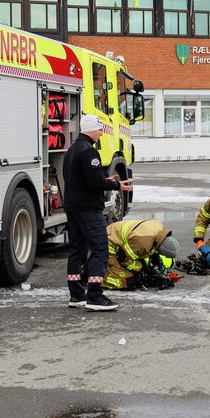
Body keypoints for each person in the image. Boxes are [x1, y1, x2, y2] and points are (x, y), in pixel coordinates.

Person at [63, 114, 133, 312]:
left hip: (73, 208)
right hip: (88, 209)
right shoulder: (89, 152)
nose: (101, 133)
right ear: (92, 130)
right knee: (99, 249)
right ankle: (95, 295)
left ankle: (77, 294)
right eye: (100, 130)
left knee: (76, 250)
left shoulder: (71, 151)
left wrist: (103, 179)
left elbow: (82, 178)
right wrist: (116, 184)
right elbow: (94, 182)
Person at [102, 219, 180, 290]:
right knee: (128, 281)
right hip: (108, 243)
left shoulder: (161, 230)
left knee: (133, 273)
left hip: (116, 235)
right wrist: (141, 267)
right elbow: (122, 258)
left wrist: (152, 257)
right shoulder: (143, 243)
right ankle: (98, 280)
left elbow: (142, 249)